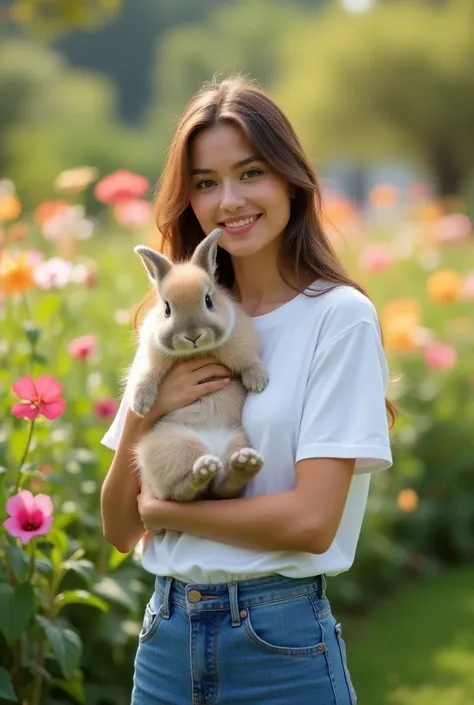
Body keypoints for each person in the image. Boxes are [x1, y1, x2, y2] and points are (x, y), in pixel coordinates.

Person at [100, 75, 394, 705]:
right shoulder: (170, 327)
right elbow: (120, 526)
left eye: (250, 172)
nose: (229, 199)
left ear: (291, 178)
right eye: (206, 182)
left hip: (278, 646)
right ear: (190, 201)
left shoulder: (336, 318)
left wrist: (170, 513)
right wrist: (153, 409)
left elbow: (312, 523)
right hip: (165, 643)